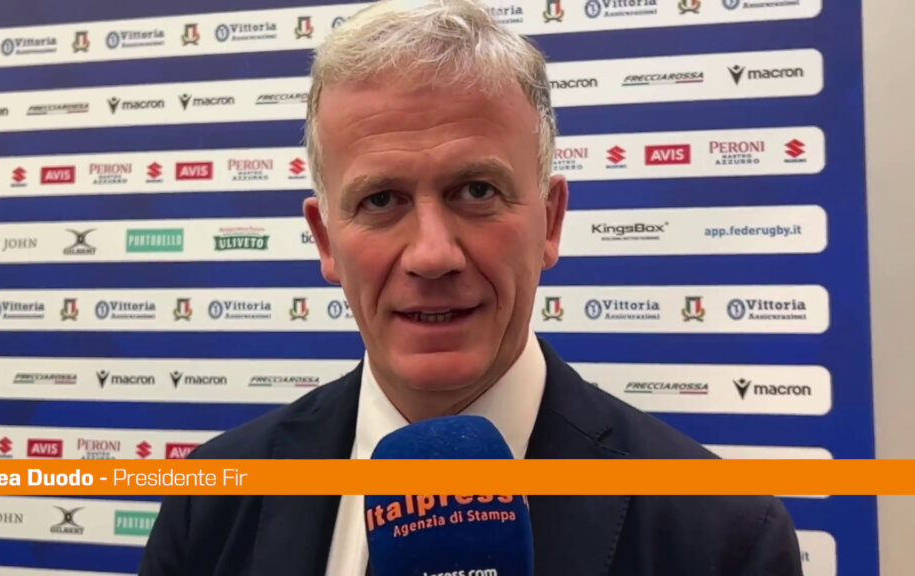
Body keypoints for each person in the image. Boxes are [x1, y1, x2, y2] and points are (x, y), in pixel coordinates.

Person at [139, 1, 804, 574]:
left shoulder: (722, 534)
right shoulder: (210, 502)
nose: (432, 255)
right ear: (326, 241)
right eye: (381, 200)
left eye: (477, 191)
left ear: (549, 221)